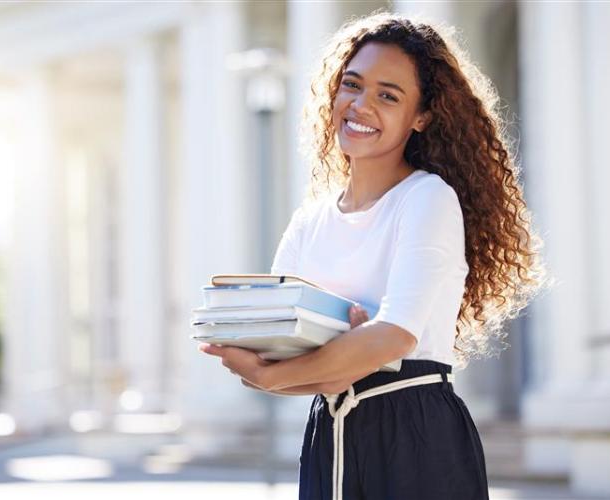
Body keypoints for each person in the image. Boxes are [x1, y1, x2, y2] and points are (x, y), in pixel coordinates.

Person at [199, 10, 548, 500]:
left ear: (422, 117)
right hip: (330, 433)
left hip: (415, 435)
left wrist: (270, 375)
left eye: (389, 95)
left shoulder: (427, 198)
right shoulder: (311, 219)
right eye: (352, 85)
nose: (360, 105)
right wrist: (312, 363)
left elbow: (394, 336)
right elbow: (274, 333)